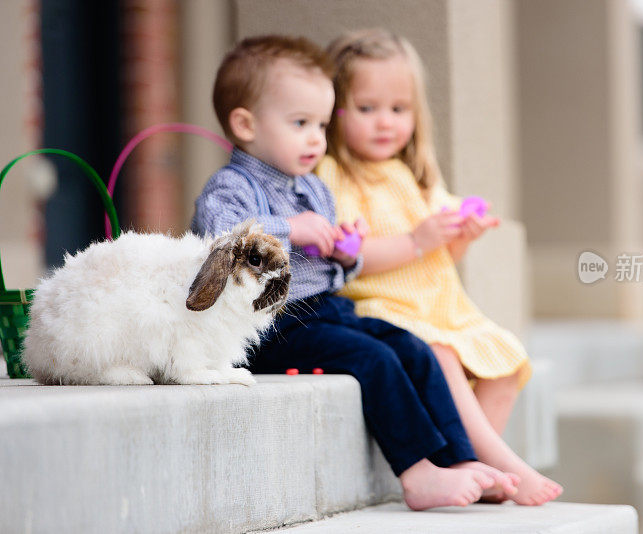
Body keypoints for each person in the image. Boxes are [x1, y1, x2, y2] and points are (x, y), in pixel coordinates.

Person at [191, 34, 518, 511]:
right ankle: (416, 473)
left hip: (323, 310)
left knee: (413, 348)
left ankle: (458, 460)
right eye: (300, 123)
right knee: (372, 358)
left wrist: (346, 253)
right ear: (245, 124)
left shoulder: (312, 189)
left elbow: (335, 268)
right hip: (266, 325)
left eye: (321, 125)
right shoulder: (230, 187)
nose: (315, 139)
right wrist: (290, 229)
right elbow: (221, 241)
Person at [316, 29, 563, 506]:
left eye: (398, 110)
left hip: (440, 306)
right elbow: (350, 255)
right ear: (337, 111)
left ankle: (472, 469)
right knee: (443, 354)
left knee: (506, 361)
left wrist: (461, 235)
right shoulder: (335, 174)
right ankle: (500, 463)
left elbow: (438, 250)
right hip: (383, 307)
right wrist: (414, 240)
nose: (385, 123)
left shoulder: (410, 173)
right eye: (367, 109)